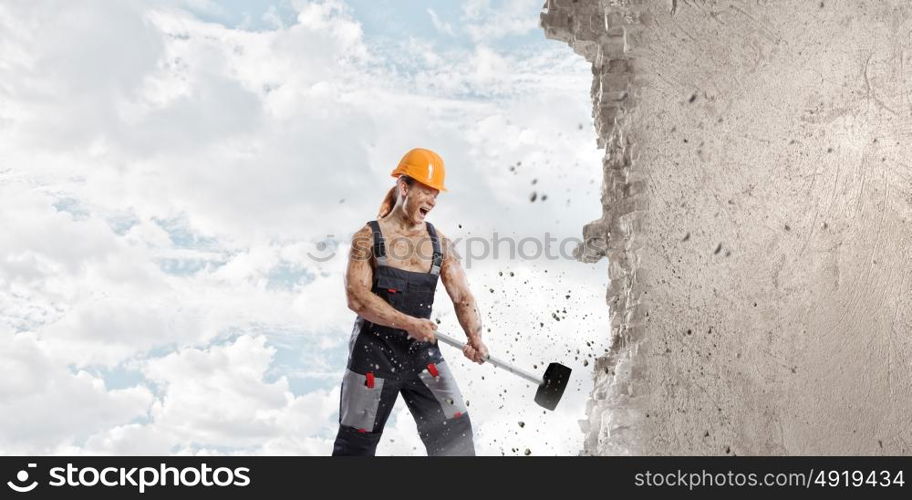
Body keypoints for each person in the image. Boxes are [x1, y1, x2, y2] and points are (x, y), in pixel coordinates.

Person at [331, 148, 489, 456]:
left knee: (457, 441)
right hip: (372, 356)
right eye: (427, 192)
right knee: (354, 448)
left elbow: (463, 297)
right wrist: (407, 323)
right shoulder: (367, 237)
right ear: (405, 187)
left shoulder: (440, 243)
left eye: (436, 195)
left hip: (422, 355)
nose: (432, 201)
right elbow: (357, 298)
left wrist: (475, 337)